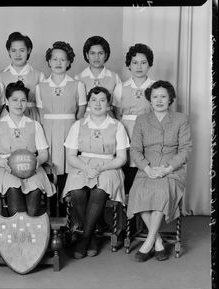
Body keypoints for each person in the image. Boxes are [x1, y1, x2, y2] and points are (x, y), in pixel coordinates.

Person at [127, 80, 192, 262]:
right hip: (147, 168)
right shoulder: (142, 120)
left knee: (161, 193)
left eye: (163, 96)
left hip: (172, 169)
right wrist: (147, 169)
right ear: (150, 99)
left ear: (170, 98)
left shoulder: (181, 119)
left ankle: (147, 243)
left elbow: (186, 150)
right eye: (155, 96)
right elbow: (135, 150)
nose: (159, 100)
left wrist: (167, 168)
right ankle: (157, 242)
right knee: (137, 193)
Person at [62, 86, 129, 259]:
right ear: (89, 103)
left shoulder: (117, 126)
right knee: (76, 191)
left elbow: (121, 158)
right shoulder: (78, 125)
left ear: (108, 105)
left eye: (102, 100)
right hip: (82, 163)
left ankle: (84, 238)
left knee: (100, 191)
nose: (97, 104)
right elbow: (71, 156)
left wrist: (101, 168)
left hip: (109, 165)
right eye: (93, 99)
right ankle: (91, 237)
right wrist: (86, 168)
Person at [0, 81, 56, 216]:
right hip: (6, 169)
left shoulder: (34, 125)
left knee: (35, 189)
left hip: (32, 168)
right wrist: (3, 164)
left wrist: (36, 163)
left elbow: (43, 153)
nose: (19, 104)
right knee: (13, 188)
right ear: (7, 101)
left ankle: (31, 231)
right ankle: (18, 231)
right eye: (15, 100)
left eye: (23, 100)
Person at [36, 41, 87, 211]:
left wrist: (72, 129)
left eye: (62, 59)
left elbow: (81, 112)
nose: (58, 63)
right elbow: (41, 113)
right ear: (49, 62)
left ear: (69, 62)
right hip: (48, 130)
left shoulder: (78, 85)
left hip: (70, 128)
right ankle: (51, 210)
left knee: (68, 168)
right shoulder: (40, 87)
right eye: (54, 59)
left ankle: (68, 214)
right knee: (50, 168)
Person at [112, 43, 155, 193]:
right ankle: (127, 209)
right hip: (126, 130)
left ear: (149, 65)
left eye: (143, 63)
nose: (139, 67)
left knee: (144, 166)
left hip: (148, 130)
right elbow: (117, 113)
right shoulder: (121, 87)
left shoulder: (155, 87)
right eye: (135, 63)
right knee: (127, 168)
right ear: (129, 65)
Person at [0, 32, 45, 122]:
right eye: (13, 50)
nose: (17, 54)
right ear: (9, 51)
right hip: (8, 117)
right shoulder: (0, 76)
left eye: (22, 50)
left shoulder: (39, 76)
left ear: (28, 50)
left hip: (32, 116)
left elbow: (42, 105)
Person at [74, 36, 121, 118]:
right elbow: (77, 107)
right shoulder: (78, 78)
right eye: (92, 53)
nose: (96, 57)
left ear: (106, 55)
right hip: (86, 120)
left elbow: (117, 106)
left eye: (100, 53)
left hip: (109, 120)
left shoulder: (114, 77)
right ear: (87, 55)